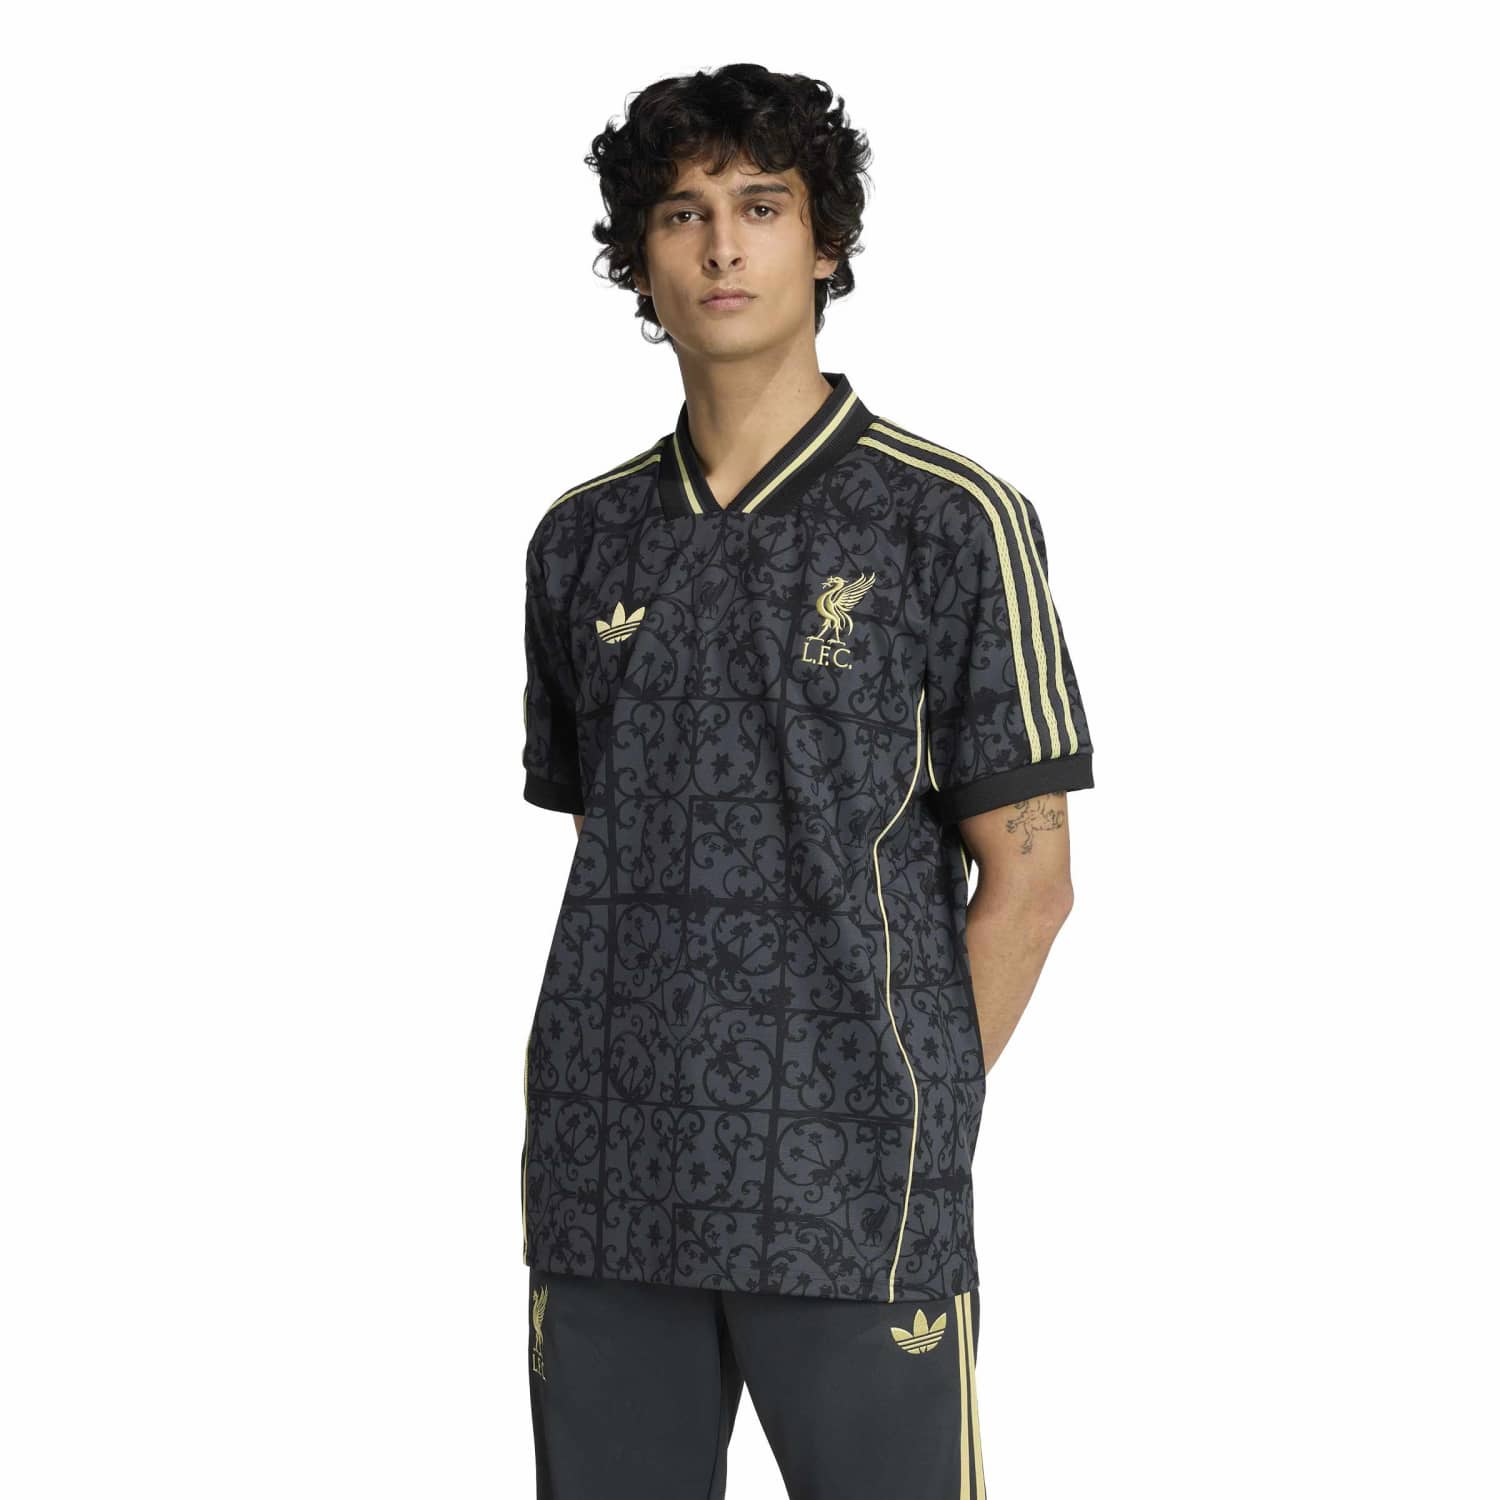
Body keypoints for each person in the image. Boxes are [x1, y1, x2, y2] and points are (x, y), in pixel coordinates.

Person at [518, 62, 1095, 1500]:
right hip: (607, 1181)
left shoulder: (949, 521)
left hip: (853, 1202)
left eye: (761, 207)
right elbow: (616, 837)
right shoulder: (581, 540)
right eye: (683, 214)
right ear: (639, 262)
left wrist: (896, 1114)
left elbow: (1030, 882)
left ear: (825, 242)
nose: (722, 246)